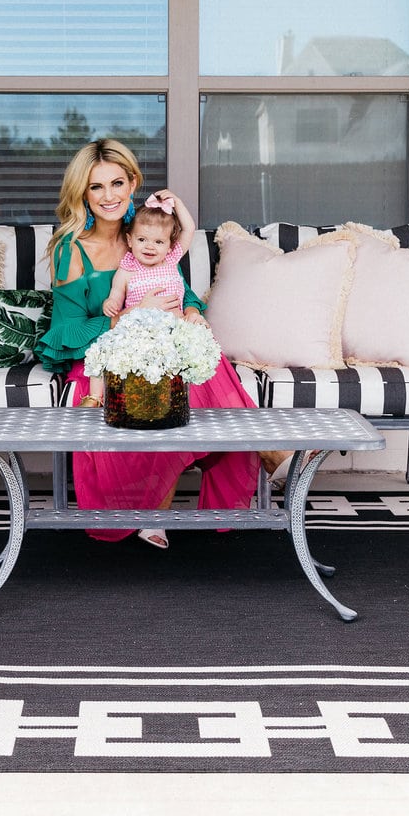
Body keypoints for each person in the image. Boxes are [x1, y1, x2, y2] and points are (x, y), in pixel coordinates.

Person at [33, 139, 288, 549]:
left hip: (162, 341)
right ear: (82, 193)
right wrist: (131, 317)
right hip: (103, 355)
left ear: (133, 181)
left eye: (117, 183)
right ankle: (272, 455)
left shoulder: (152, 230)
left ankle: (163, 509)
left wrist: (191, 312)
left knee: (198, 356)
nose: (109, 196)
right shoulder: (71, 250)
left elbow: (177, 288)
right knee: (184, 372)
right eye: (96, 187)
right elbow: (67, 332)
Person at [79, 189, 200, 408]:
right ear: (130, 240)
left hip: (173, 332)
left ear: (170, 246)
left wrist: (178, 202)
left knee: (191, 347)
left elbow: (189, 228)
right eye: (142, 239)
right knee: (102, 348)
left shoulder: (171, 261)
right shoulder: (127, 269)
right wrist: (111, 303)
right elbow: (116, 293)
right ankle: (95, 397)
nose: (150, 246)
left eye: (159, 242)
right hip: (137, 332)